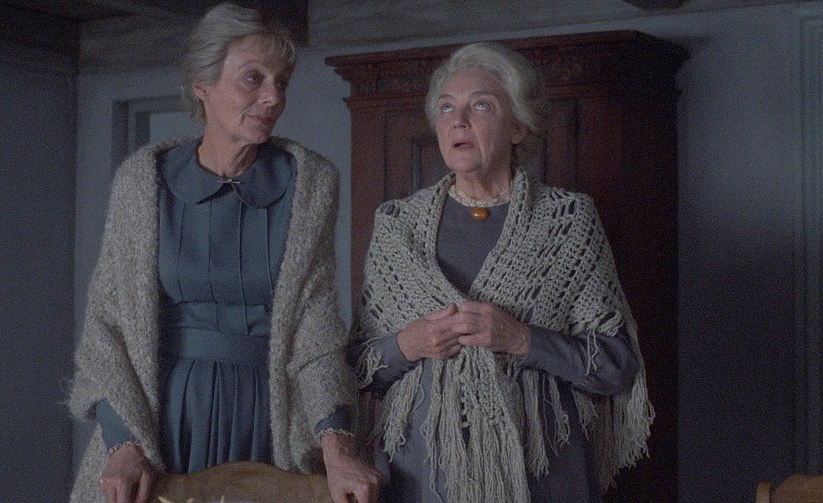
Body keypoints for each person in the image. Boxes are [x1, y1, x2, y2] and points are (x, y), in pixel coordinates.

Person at [67, 3, 381, 502]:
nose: (273, 97)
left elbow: (315, 329)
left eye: (282, 82)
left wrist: (337, 448)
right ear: (202, 84)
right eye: (253, 78)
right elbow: (108, 327)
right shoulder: (142, 180)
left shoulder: (311, 182)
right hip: (162, 418)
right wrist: (124, 444)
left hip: (268, 418)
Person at [350, 41, 653, 502]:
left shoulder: (567, 221)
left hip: (542, 475)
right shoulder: (397, 226)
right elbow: (357, 367)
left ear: (518, 127)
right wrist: (409, 344)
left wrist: (522, 339)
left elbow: (615, 366)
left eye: (481, 106)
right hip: (423, 478)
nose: (458, 120)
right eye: (446, 107)